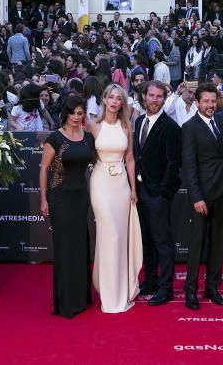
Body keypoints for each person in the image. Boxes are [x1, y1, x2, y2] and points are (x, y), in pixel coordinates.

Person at [87, 83, 142, 313]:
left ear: (122, 103)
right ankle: (108, 294)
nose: (114, 101)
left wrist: (132, 188)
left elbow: (129, 159)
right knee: (109, 234)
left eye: (118, 98)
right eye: (111, 97)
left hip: (121, 185)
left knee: (119, 238)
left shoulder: (126, 127)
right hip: (100, 182)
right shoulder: (93, 126)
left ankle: (120, 289)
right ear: (104, 99)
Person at [40, 94, 95, 319]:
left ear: (84, 116)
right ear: (65, 114)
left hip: (81, 197)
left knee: (80, 245)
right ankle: (66, 301)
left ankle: (81, 297)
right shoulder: (55, 138)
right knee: (65, 248)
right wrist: (43, 199)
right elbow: (44, 170)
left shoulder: (88, 138)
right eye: (72, 113)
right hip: (60, 197)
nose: (75, 117)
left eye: (80, 113)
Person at [181, 83, 223, 311]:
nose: (210, 105)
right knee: (197, 243)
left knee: (217, 242)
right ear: (198, 103)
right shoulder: (189, 127)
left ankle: (212, 287)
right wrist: (196, 197)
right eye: (206, 101)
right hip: (201, 194)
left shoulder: (221, 120)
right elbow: (189, 166)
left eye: (213, 101)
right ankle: (190, 290)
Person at [132, 81, 182, 306]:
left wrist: (163, 192)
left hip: (158, 193)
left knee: (162, 241)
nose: (154, 100)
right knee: (147, 240)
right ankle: (150, 280)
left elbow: (174, 164)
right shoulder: (140, 121)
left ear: (164, 99)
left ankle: (166, 287)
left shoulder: (171, 127)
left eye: (159, 96)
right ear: (144, 96)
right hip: (140, 191)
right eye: (151, 95)